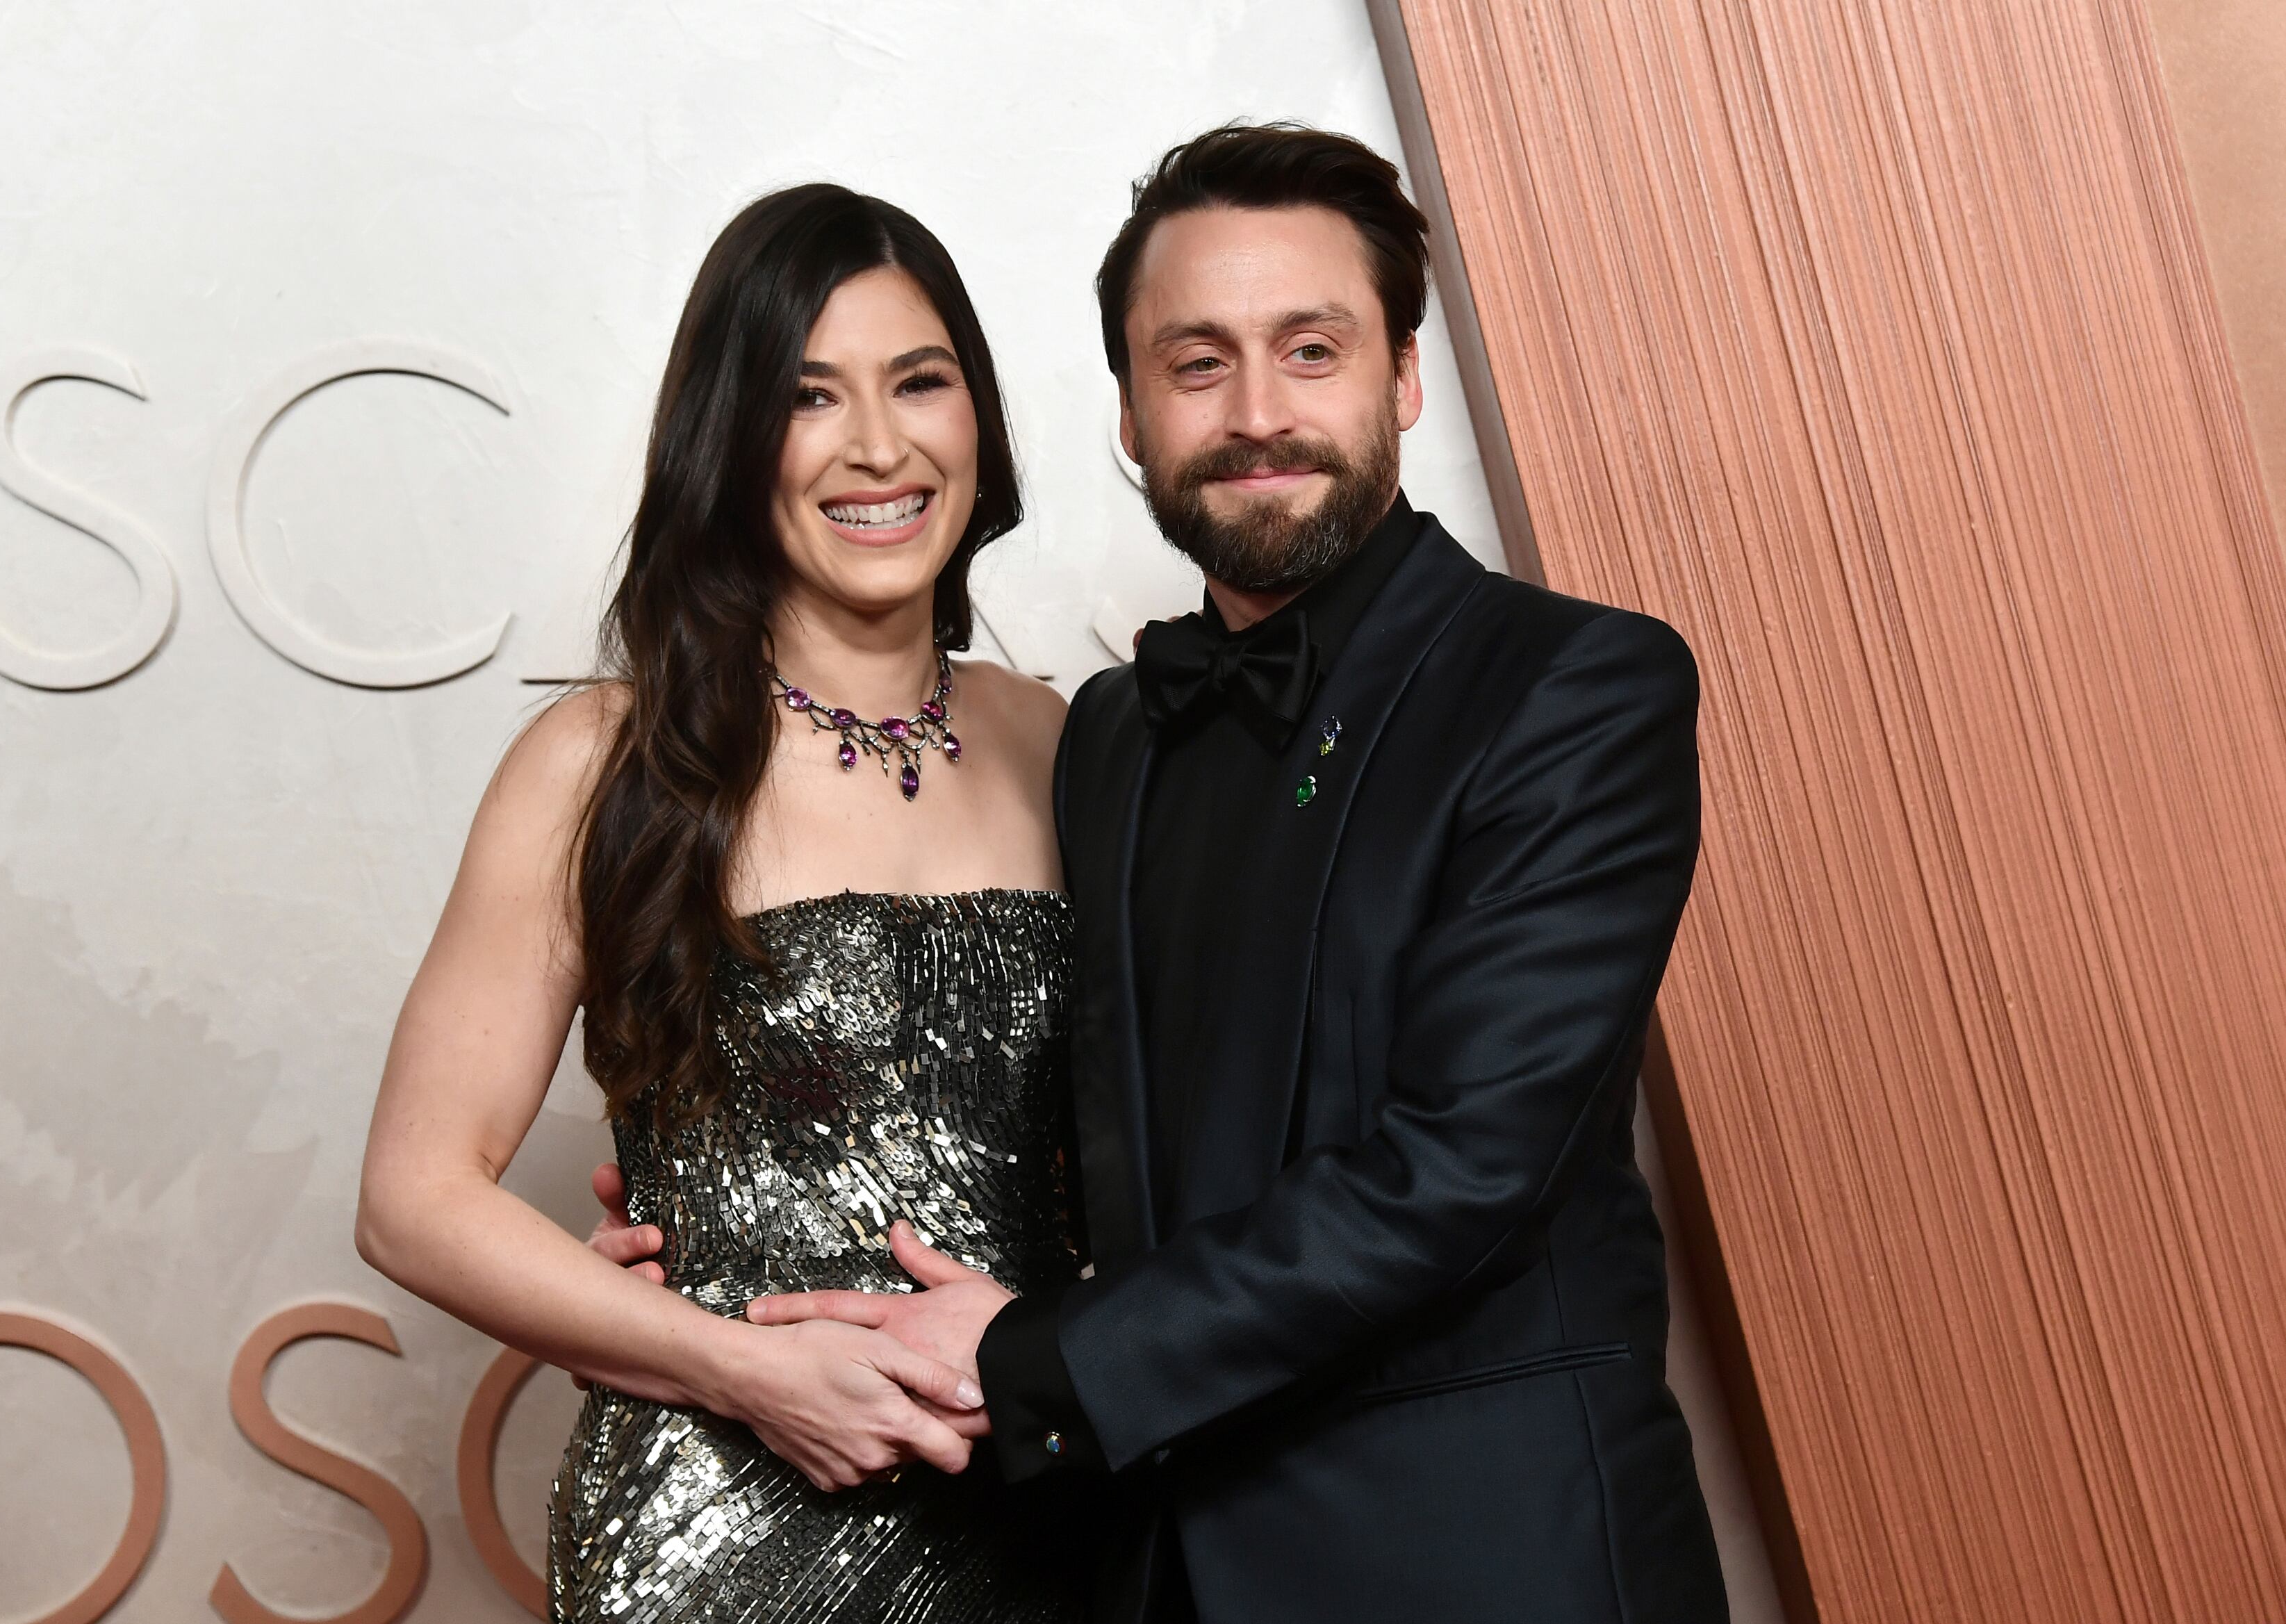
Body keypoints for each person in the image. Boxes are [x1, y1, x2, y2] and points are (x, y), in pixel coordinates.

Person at [695, 124, 1732, 1621]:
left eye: (1310, 349)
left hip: (1492, 1559)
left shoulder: (1571, 684)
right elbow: (1045, 1110)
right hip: (1157, 1562)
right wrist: (734, 1212)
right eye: (1196, 364)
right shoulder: (1111, 733)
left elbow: (1464, 1167)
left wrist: (1028, 1359)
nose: (1257, 414)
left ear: (1403, 376)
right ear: (1128, 409)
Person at [355, 183, 1090, 1621]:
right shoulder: (601, 760)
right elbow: (412, 1195)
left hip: (1044, 1515)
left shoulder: (1067, 738)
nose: (878, 446)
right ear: (731, 440)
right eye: (809, 396)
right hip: (714, 1529)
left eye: (919, 382)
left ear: (978, 419)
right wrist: (738, 1363)